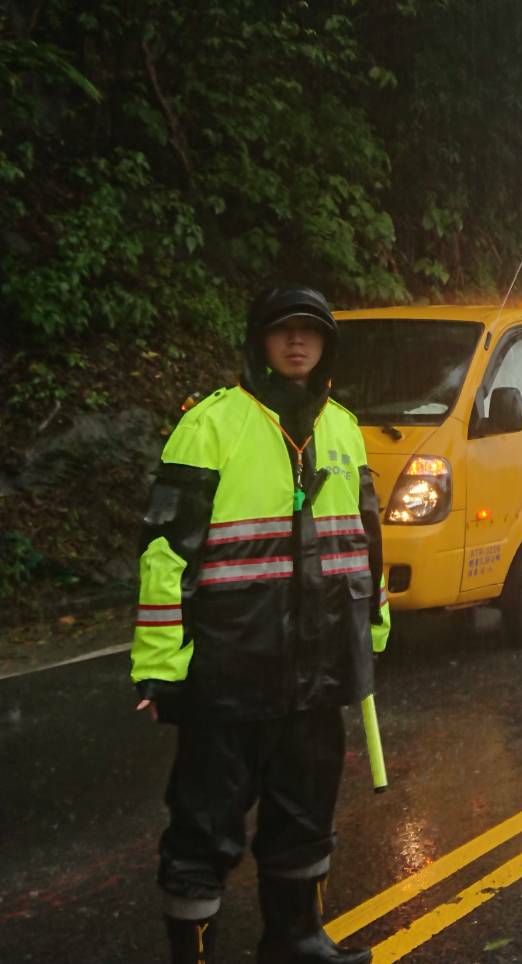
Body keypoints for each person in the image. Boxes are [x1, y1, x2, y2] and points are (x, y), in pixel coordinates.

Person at [130, 285, 390, 963]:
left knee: (304, 814)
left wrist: (371, 633)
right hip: (229, 668)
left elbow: (364, 539)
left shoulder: (341, 425)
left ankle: (295, 939)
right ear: (259, 341)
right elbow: (165, 554)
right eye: (283, 331)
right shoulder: (211, 424)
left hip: (318, 667)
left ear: (328, 345)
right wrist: (162, 666)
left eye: (311, 332)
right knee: (204, 826)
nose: (297, 342)